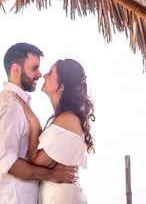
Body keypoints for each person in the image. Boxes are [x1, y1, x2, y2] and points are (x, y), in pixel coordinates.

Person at [0, 42, 78, 204]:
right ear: (16, 69)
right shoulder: (11, 106)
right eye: (34, 68)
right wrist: (52, 175)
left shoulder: (18, 104)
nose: (40, 74)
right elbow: (8, 162)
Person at [22, 59, 94, 204]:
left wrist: (35, 124)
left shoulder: (68, 119)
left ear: (62, 86)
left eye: (50, 73)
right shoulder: (65, 118)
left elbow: (36, 161)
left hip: (62, 198)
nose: (44, 76)